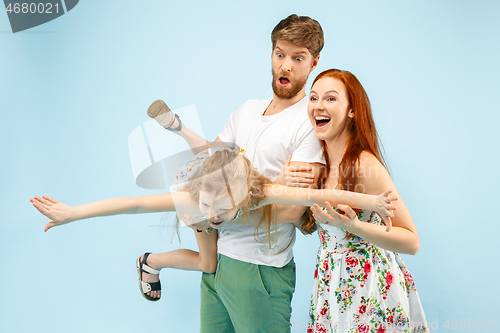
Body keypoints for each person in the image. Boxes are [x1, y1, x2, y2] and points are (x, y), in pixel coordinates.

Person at [146, 14, 327, 332]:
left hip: (260, 269)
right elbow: (212, 164)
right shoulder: (246, 111)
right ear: (271, 53)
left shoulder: (308, 125)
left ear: (313, 64)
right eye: (280, 54)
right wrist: (202, 206)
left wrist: (216, 213)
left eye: (298, 58)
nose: (285, 66)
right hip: (216, 263)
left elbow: (291, 209)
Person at [30, 147, 397, 303]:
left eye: (226, 209)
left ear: (245, 197)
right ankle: (151, 260)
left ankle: (150, 261)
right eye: (213, 206)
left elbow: (316, 198)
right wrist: (72, 213)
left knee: (210, 264)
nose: (219, 216)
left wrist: (375, 201)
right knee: (209, 256)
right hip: (198, 199)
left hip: (231, 185)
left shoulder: (261, 193)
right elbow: (134, 203)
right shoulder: (197, 202)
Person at [298, 69, 428, 332]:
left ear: (352, 110)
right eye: (313, 98)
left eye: (331, 99)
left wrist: (355, 227)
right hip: (331, 286)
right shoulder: (319, 162)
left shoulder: (363, 164)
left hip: (370, 290)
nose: (319, 106)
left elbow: (411, 241)